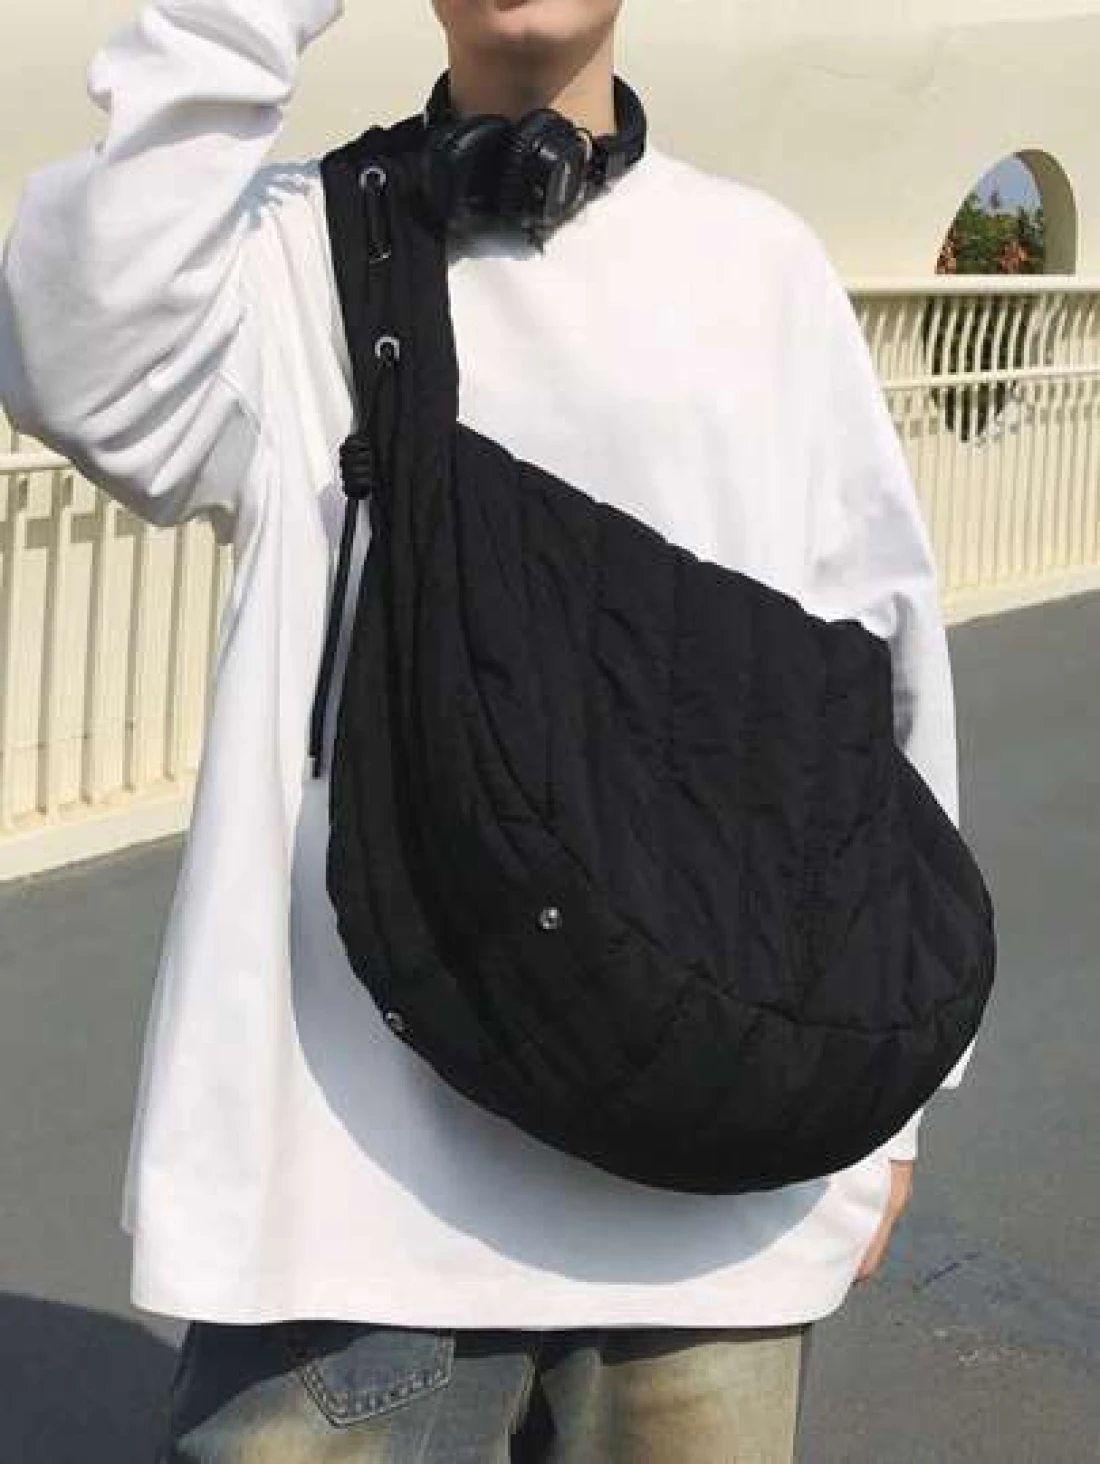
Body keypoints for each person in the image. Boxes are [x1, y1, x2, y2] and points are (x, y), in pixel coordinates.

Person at [0, 0, 977, 1458]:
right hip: (342, 1216)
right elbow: (77, 351)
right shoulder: (292, 246)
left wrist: (897, 1100)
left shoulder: (764, 267)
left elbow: (876, 683)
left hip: (714, 1205)